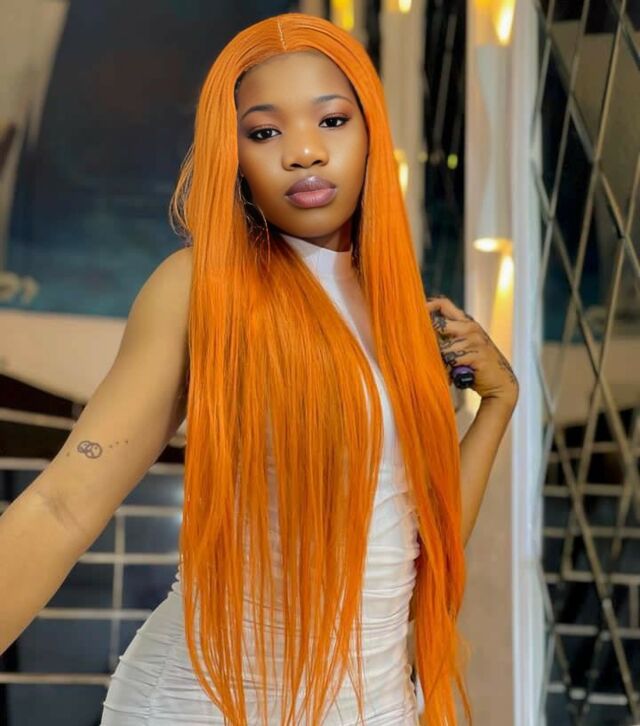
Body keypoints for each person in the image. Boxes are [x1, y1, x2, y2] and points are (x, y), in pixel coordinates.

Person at [0, 12, 519, 726]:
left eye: (331, 121)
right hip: (206, 704)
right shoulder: (201, 289)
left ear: (371, 132)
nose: (303, 152)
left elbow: (414, 560)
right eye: (266, 132)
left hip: (378, 707)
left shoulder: (403, 314)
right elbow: (62, 505)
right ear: (233, 154)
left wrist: (497, 406)